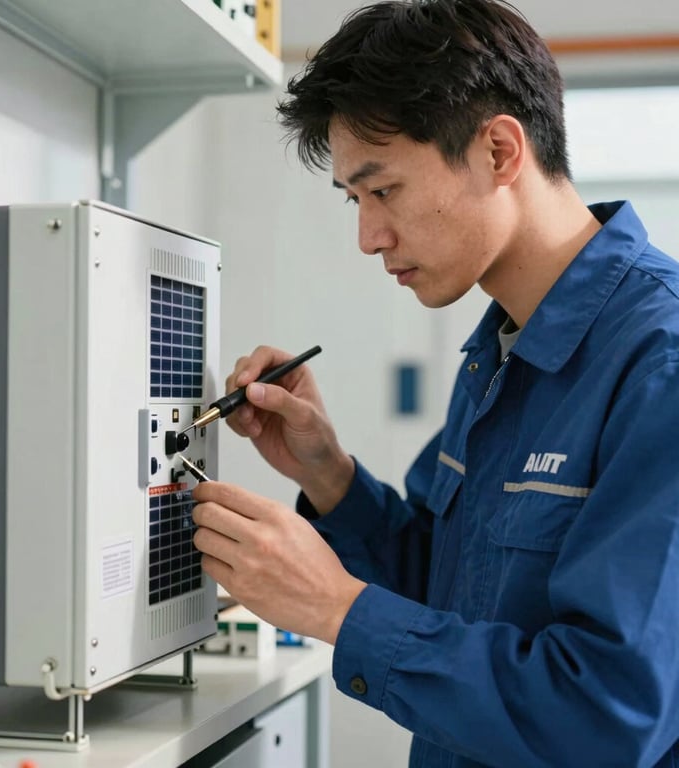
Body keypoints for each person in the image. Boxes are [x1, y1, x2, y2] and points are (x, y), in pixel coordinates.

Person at [191, 0, 679, 765]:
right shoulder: (501, 353)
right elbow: (451, 592)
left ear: (499, 151)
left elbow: (609, 715)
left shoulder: (660, 367)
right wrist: (329, 476)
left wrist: (335, 606)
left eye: (383, 191)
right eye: (355, 201)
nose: (368, 237)